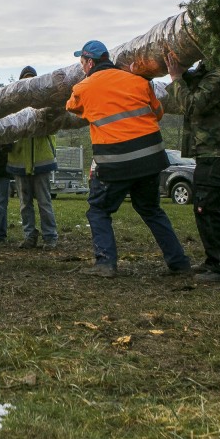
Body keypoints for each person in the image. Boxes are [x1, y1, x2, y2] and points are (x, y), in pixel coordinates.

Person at [66, 41, 191, 277]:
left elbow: (72, 107)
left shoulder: (84, 87)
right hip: (151, 159)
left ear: (90, 62)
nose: (82, 67)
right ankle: (179, 263)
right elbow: (158, 113)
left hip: (116, 162)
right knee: (151, 209)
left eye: (82, 63)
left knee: (99, 210)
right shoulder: (138, 81)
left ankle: (105, 264)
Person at [165, 52, 220, 282]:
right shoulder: (212, 74)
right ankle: (215, 259)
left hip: (217, 151)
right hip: (210, 150)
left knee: (208, 206)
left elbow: (192, 105)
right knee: (205, 205)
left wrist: (176, 78)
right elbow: (196, 82)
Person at [8, 66, 60, 249]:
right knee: (24, 203)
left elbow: (54, 124)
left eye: (31, 79)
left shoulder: (44, 103)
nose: (28, 83)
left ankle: (50, 236)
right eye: (25, 79)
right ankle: (30, 235)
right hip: (19, 160)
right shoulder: (13, 105)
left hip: (41, 159)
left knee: (44, 201)